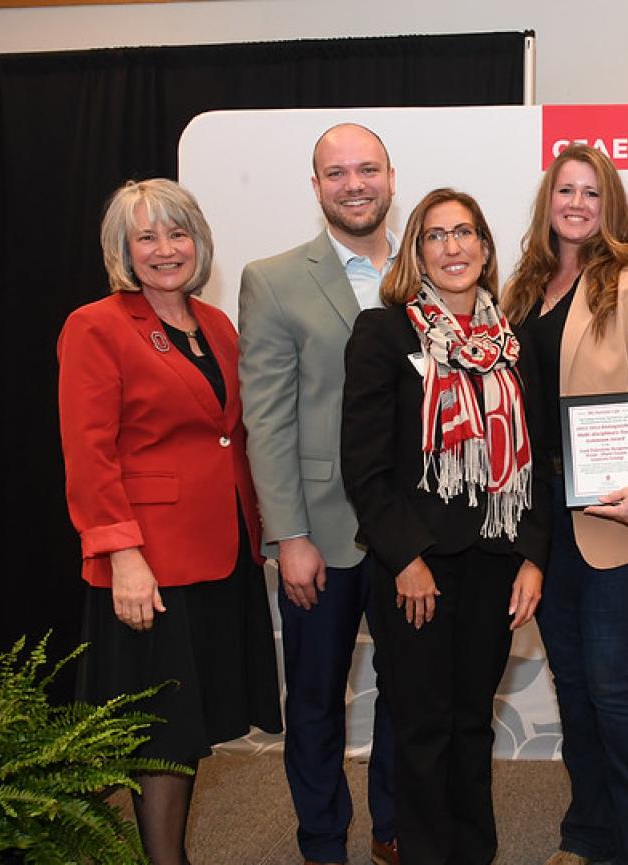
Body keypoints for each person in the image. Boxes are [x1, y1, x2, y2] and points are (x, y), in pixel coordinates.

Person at [57, 178, 282, 865]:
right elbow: (89, 453)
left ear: (198, 242)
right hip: (149, 564)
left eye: (177, 233)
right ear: (122, 249)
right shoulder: (95, 325)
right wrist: (121, 553)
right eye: (146, 236)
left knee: (187, 727)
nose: (165, 249)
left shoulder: (215, 326)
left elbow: (233, 436)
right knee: (156, 729)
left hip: (218, 550)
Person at [340, 188, 547, 864]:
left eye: (465, 233)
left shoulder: (514, 340)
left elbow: (540, 459)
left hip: (495, 561)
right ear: (418, 252)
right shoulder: (383, 333)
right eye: (436, 235)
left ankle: (474, 852)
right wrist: (405, 557)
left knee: (471, 721)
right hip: (417, 567)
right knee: (423, 726)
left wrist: (533, 557)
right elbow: (365, 466)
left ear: (486, 249)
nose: (453, 247)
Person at [502, 143, 628, 865]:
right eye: (565, 191)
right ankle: (590, 834)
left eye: (591, 192)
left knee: (615, 686)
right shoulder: (522, 289)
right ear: (547, 202)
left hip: (627, 511)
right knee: (575, 687)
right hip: (545, 513)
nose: (577, 203)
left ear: (609, 204)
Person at [239, 123, 399, 865]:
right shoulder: (273, 279)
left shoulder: (429, 266)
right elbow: (265, 419)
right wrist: (288, 535)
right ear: (316, 188)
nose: (354, 184)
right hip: (320, 532)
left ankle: (395, 826)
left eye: (366, 169)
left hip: (409, 530)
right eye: (337, 173)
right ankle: (323, 838)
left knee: (411, 692)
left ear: (390, 178)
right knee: (314, 700)